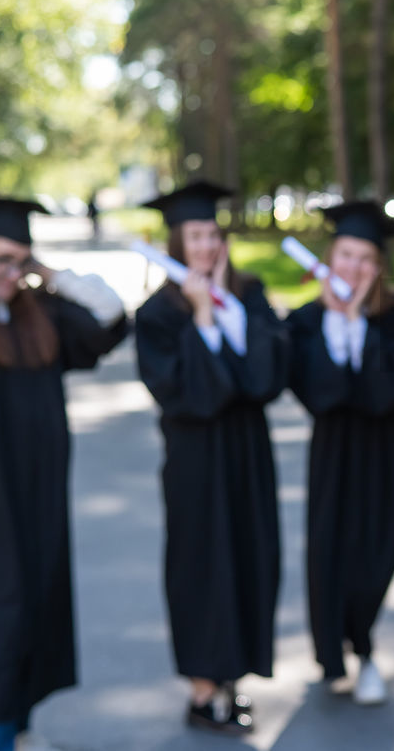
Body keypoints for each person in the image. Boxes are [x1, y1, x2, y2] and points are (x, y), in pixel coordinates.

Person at [0, 193, 127, 751]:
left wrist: (49, 273)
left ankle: (18, 729)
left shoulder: (37, 314)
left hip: (37, 495)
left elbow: (110, 316)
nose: (12, 274)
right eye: (1, 259)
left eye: (22, 261)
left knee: (32, 609)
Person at [134, 180, 288, 735]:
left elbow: (265, 380)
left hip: (247, 454)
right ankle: (202, 691)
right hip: (195, 460)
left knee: (248, 556)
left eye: (211, 234)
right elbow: (194, 397)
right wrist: (202, 318)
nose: (205, 245)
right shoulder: (158, 314)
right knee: (201, 564)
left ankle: (231, 681)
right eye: (194, 235)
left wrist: (228, 312)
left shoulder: (250, 293)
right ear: (176, 242)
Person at [284, 201, 394, 705]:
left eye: (366, 259)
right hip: (334, 460)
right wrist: (338, 324)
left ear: (379, 267)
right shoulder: (304, 322)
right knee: (331, 555)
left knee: (377, 553)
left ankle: (359, 637)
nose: (354, 268)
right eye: (345, 255)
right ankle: (351, 654)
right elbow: (322, 395)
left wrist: (358, 326)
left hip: (387, 460)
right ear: (329, 257)